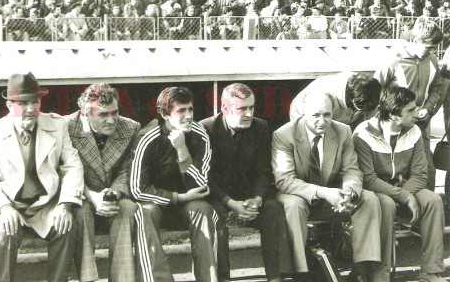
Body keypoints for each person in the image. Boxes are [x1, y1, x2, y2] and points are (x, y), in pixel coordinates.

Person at [0, 72, 84, 282]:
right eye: (23, 104)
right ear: (9, 105)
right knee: (5, 232)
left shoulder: (57, 125)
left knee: (66, 226)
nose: (31, 109)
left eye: (35, 102)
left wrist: (65, 204)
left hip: (46, 204)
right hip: (11, 204)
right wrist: (3, 208)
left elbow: (72, 166)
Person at [272, 92, 382, 280]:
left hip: (333, 196)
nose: (322, 121)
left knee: (369, 199)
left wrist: (348, 192)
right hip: (298, 195)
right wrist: (323, 193)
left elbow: (352, 170)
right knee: (294, 205)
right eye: (316, 115)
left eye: (327, 114)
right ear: (303, 113)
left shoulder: (343, 131)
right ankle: (301, 272)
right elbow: (285, 180)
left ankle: (362, 270)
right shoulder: (284, 135)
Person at [353, 86, 445, 282]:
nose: (416, 113)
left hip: (405, 187)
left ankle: (430, 270)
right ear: (394, 114)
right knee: (385, 204)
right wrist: (403, 196)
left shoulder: (415, 132)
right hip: (376, 191)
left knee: (433, 200)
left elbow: (421, 174)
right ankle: (381, 275)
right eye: (410, 110)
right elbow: (368, 179)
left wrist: (405, 194)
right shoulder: (363, 133)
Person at [202, 83, 292, 282]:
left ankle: (276, 277)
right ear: (225, 109)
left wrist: (257, 199)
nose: (249, 114)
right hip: (219, 198)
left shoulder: (260, 127)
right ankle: (222, 278)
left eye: (252, 107)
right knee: (216, 215)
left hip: (251, 198)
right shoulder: (205, 129)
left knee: (274, 209)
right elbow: (205, 176)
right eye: (242, 108)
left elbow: (263, 171)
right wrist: (230, 203)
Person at [68, 83, 155, 282]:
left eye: (115, 113)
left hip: (115, 196)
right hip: (83, 194)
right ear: (85, 114)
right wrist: (91, 196)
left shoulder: (131, 128)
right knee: (80, 211)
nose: (111, 120)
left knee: (127, 208)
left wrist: (114, 193)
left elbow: (128, 169)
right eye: (103, 115)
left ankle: (122, 278)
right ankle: (87, 278)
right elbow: (67, 171)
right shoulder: (68, 127)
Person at [130, 86, 217, 282]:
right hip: (157, 204)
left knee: (202, 208)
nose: (188, 116)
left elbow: (202, 183)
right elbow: (137, 188)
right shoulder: (147, 137)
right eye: (181, 111)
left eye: (191, 109)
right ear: (165, 113)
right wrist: (178, 197)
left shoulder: (199, 134)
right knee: (144, 213)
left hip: (189, 204)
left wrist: (182, 149)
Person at [374, 20, 446, 190]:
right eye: (429, 47)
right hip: (395, 126)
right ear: (414, 40)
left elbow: (438, 87)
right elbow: (376, 90)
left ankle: (426, 206)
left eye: (435, 48)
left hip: (420, 125)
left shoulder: (433, 60)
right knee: (393, 168)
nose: (432, 51)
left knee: (426, 167)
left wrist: (428, 107)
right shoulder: (393, 60)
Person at [289, 72, 382, 131]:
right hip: (306, 116)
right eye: (362, 107)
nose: (365, 111)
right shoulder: (327, 96)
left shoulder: (367, 90)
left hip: (340, 121)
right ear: (351, 99)